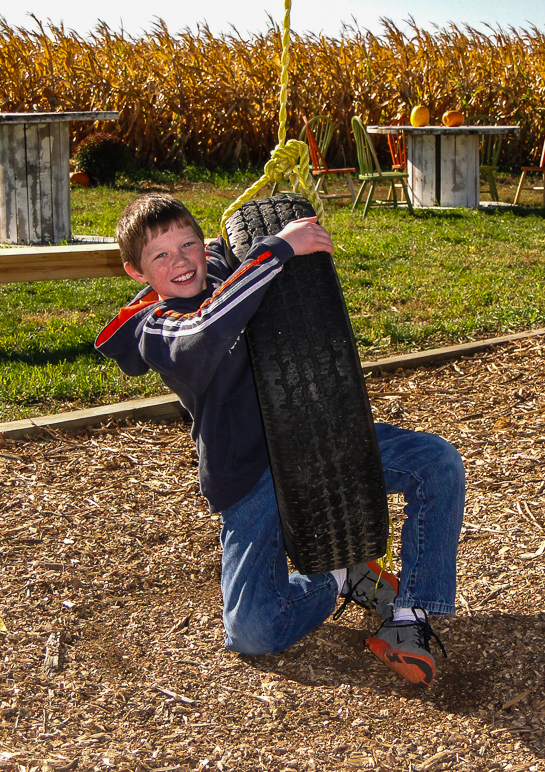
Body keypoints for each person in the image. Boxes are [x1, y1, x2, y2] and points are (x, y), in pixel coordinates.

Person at [95, 193, 465, 687]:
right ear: (136, 273)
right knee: (251, 632)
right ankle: (343, 577)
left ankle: (409, 618)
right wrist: (277, 250)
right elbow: (203, 332)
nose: (180, 262)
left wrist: (278, 231)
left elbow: (244, 241)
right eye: (159, 256)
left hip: (317, 436)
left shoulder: (224, 268)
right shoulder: (155, 329)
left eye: (187, 245)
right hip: (249, 475)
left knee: (437, 464)